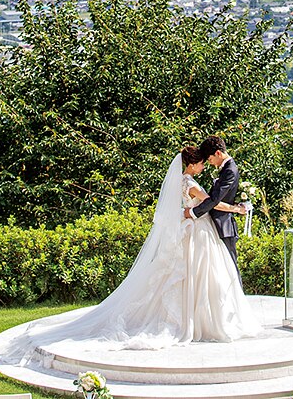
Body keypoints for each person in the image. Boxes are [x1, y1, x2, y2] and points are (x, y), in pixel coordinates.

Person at [34, 145, 260, 352]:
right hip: (197, 232)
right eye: (201, 163)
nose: (203, 166)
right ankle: (200, 320)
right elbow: (211, 202)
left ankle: (195, 316)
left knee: (191, 276)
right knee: (200, 275)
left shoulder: (182, 181)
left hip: (194, 229)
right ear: (192, 164)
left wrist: (192, 212)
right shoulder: (190, 184)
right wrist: (236, 209)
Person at [184, 135, 244, 280]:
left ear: (218, 153)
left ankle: (237, 301)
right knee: (221, 269)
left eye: (209, 160)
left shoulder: (229, 170)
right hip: (215, 223)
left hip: (223, 224)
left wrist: (193, 212)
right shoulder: (226, 169)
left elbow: (214, 200)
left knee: (230, 267)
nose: (209, 164)